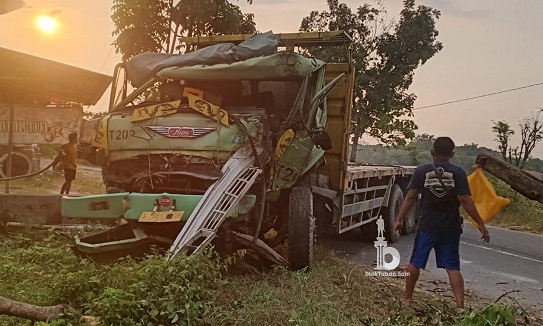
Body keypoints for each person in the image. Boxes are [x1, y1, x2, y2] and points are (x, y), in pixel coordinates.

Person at [393, 136, 490, 309]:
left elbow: (410, 196)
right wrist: (481, 223)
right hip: (450, 227)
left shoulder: (421, 171)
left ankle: (407, 300)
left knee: (415, 262)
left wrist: (399, 219)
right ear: (452, 154)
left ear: (432, 152)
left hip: (427, 226)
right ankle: (460, 306)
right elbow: (465, 200)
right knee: (452, 266)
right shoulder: (458, 172)